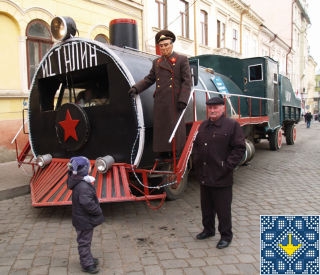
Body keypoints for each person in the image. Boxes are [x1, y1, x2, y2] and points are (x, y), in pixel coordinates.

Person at [128, 30, 192, 159]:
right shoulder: (156, 63)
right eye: (161, 46)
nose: (163, 48)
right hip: (160, 100)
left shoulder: (181, 59)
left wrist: (183, 100)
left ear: (171, 44)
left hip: (175, 101)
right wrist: (136, 88)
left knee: (174, 127)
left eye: (166, 45)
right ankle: (162, 152)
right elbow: (149, 79)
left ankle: (176, 153)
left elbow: (187, 81)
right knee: (161, 128)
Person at [192, 97, 246, 249]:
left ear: (223, 108)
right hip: (204, 175)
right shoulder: (203, 126)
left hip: (222, 176)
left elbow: (239, 148)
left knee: (223, 209)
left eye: (216, 107)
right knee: (206, 207)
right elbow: (196, 146)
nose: (212, 110)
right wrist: (196, 164)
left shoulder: (232, 125)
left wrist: (227, 166)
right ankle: (208, 230)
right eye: (210, 108)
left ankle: (226, 236)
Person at [67, 156, 105, 274]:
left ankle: (88, 258)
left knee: (85, 240)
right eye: (89, 167)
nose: (90, 168)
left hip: (82, 218)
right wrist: (97, 210)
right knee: (84, 242)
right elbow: (87, 203)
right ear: (84, 170)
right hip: (84, 220)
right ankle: (87, 264)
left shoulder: (78, 181)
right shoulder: (83, 187)